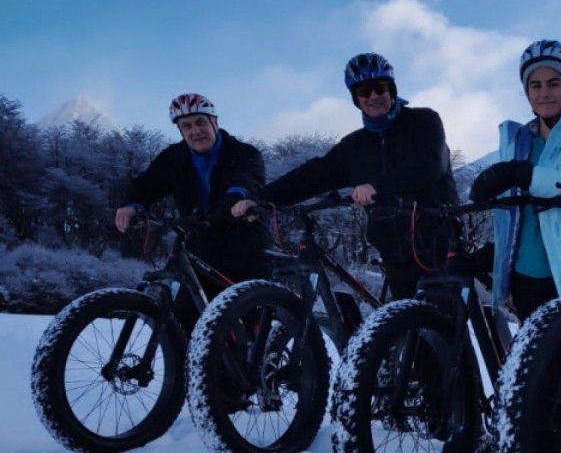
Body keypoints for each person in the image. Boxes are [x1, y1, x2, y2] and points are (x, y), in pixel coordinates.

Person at [234, 52, 459, 300]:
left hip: (438, 241)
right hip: (393, 249)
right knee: (406, 319)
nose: (373, 96)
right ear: (356, 99)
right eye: (364, 91)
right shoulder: (354, 146)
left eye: (380, 87)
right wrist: (262, 198)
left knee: (442, 316)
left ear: (391, 89)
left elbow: (430, 164)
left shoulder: (424, 121)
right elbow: (314, 175)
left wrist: (376, 186)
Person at [468, 39, 561, 320]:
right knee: (532, 349)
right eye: (535, 85)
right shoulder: (519, 142)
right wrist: (496, 254)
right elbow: (514, 215)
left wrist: (525, 174)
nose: (544, 93)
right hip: (525, 275)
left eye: (553, 83)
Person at [115, 93, 270, 312]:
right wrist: (132, 204)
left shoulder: (243, 153)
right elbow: (148, 182)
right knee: (184, 317)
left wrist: (236, 199)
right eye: (186, 126)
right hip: (198, 246)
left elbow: (247, 179)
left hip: (245, 245)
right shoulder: (174, 157)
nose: (195, 131)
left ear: (214, 122)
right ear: (180, 131)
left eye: (200, 122)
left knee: (246, 316)